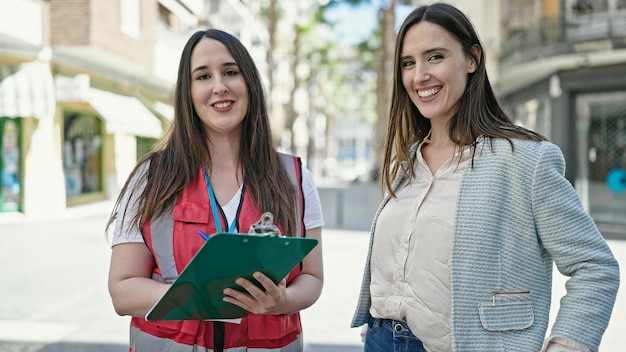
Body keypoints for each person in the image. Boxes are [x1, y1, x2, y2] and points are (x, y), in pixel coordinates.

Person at [351, 3, 619, 352]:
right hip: (381, 341)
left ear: (472, 58)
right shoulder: (406, 163)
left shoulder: (526, 161)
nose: (419, 76)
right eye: (408, 63)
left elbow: (595, 267)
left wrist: (566, 346)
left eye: (435, 57)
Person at [106, 29, 324, 352]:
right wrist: (198, 297)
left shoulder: (294, 177)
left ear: (249, 82)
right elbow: (122, 291)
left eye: (230, 72)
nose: (219, 86)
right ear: (188, 92)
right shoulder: (150, 178)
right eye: (203, 76)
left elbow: (314, 278)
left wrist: (281, 300)